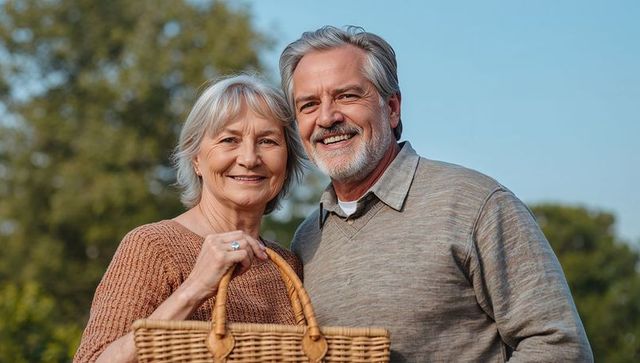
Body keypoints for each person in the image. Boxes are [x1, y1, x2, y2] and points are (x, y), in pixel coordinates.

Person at [280, 26, 593, 362]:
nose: (327, 117)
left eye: (347, 96)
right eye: (309, 105)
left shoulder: (476, 204)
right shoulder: (307, 239)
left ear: (392, 108)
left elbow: (560, 346)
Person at [73, 74, 306, 362]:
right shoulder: (152, 247)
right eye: (229, 139)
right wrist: (194, 288)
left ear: (287, 160)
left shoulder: (288, 265)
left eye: (267, 141)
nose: (249, 158)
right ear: (196, 158)